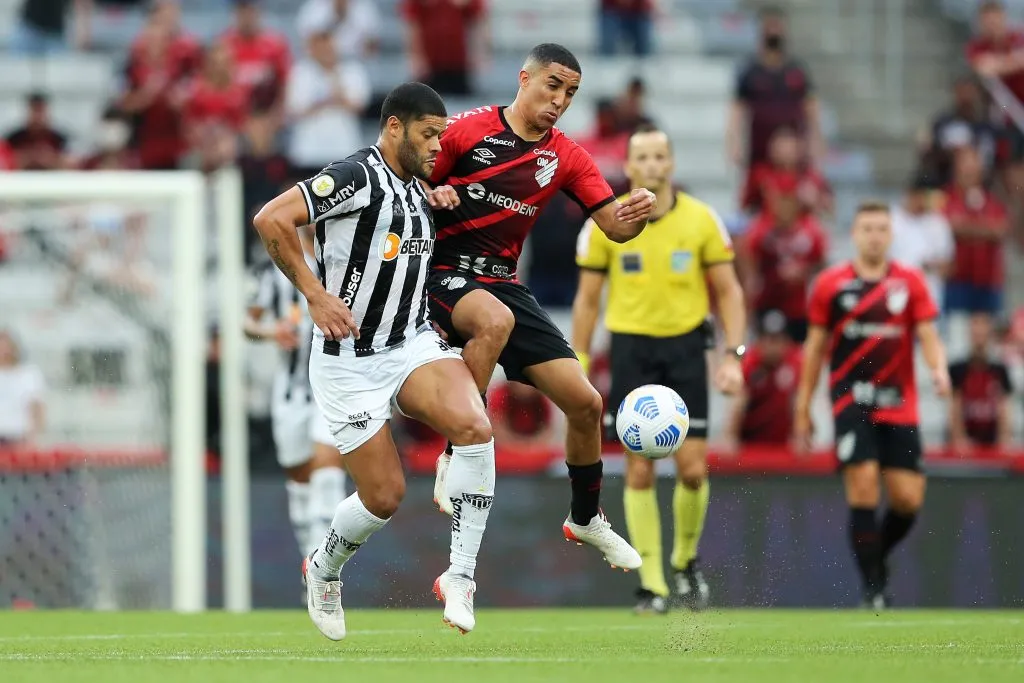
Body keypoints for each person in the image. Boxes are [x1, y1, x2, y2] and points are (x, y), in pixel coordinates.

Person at [253, 82, 495, 639]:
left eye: (442, 135)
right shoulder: (356, 175)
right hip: (347, 361)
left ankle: (460, 576)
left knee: (475, 424)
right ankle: (324, 567)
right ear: (394, 128)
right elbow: (272, 219)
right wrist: (315, 294)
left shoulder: (420, 188)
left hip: (409, 344)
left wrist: (437, 196)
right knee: (383, 497)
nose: (439, 146)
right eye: (429, 134)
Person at [426, 43, 657, 573]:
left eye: (571, 93)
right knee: (494, 321)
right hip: (440, 271)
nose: (560, 100)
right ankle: (455, 451)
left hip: (503, 281)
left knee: (586, 404)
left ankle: (584, 516)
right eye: (552, 86)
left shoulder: (568, 157)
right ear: (523, 77)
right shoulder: (467, 130)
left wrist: (637, 217)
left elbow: (615, 228)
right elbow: (407, 175)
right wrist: (429, 192)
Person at [572, 124, 746, 614]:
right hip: (631, 350)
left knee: (692, 470)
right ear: (628, 167)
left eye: (659, 156)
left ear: (671, 164)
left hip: (687, 347)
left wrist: (734, 356)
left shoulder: (702, 221)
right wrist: (580, 361)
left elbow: (729, 291)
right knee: (640, 469)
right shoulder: (606, 223)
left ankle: (685, 561)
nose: (651, 164)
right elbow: (587, 302)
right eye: (641, 157)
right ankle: (652, 583)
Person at [794, 201, 951, 610]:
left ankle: (876, 556)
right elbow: (814, 349)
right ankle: (873, 589)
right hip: (851, 400)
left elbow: (928, 334)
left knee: (907, 500)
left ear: (891, 235)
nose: (875, 236)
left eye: (882, 229)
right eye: (867, 229)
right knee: (863, 486)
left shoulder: (911, 283)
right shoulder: (831, 284)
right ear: (854, 234)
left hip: (900, 403)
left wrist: (938, 370)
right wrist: (803, 404)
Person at [245, 226, 348, 563]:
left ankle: (325, 566)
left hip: (335, 385)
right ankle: (310, 562)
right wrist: (272, 331)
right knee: (300, 479)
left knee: (327, 473)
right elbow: (249, 322)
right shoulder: (276, 269)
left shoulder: (346, 261)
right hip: (292, 390)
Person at [722, 311, 801, 450]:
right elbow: (738, 404)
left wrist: (799, 436)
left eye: (777, 340)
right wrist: (731, 437)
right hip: (750, 443)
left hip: (783, 444)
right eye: (769, 340)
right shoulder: (749, 362)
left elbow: (798, 403)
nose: (773, 347)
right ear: (759, 341)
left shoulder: (794, 362)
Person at [948, 313, 1013, 452]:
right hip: (967, 439)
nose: (979, 340)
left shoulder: (1000, 370)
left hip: (991, 438)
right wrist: (959, 438)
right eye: (976, 335)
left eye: (982, 335)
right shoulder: (958, 369)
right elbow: (955, 406)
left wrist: (1004, 439)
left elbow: (1004, 407)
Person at [0, 329, 46, 447]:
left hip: (19, 438)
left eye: (7, 346)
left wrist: (34, 437)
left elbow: (38, 409)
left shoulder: (29, 374)